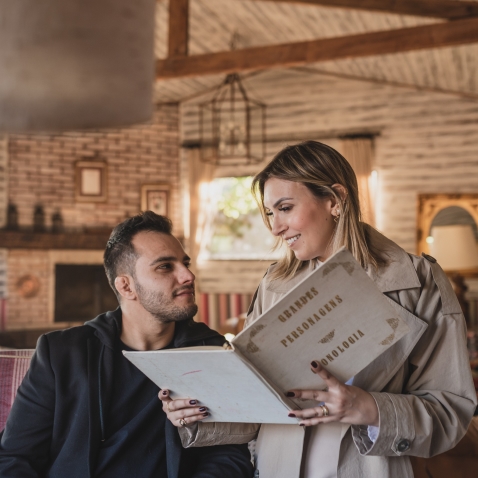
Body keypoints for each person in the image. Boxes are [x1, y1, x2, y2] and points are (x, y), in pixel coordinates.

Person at [160, 141, 477, 478]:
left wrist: (367, 407)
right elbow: (257, 403)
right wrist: (197, 410)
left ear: (334, 200)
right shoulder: (273, 284)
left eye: (285, 207)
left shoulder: (419, 281)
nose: (275, 227)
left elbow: (450, 411)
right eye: (270, 212)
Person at [0, 211, 254, 478]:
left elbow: (228, 457)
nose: (188, 275)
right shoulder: (61, 353)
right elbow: (14, 457)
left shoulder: (209, 351)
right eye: (166, 266)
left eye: (185, 263)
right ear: (126, 286)